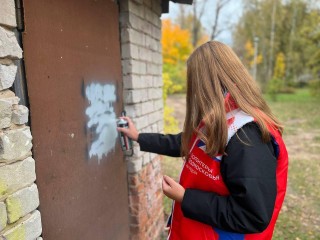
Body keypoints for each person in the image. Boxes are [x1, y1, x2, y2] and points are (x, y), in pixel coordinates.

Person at [117, 41, 288, 240]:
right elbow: (185, 143)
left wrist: (185, 197)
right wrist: (138, 137)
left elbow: (251, 216)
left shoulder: (249, 138)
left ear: (207, 83)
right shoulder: (223, 114)